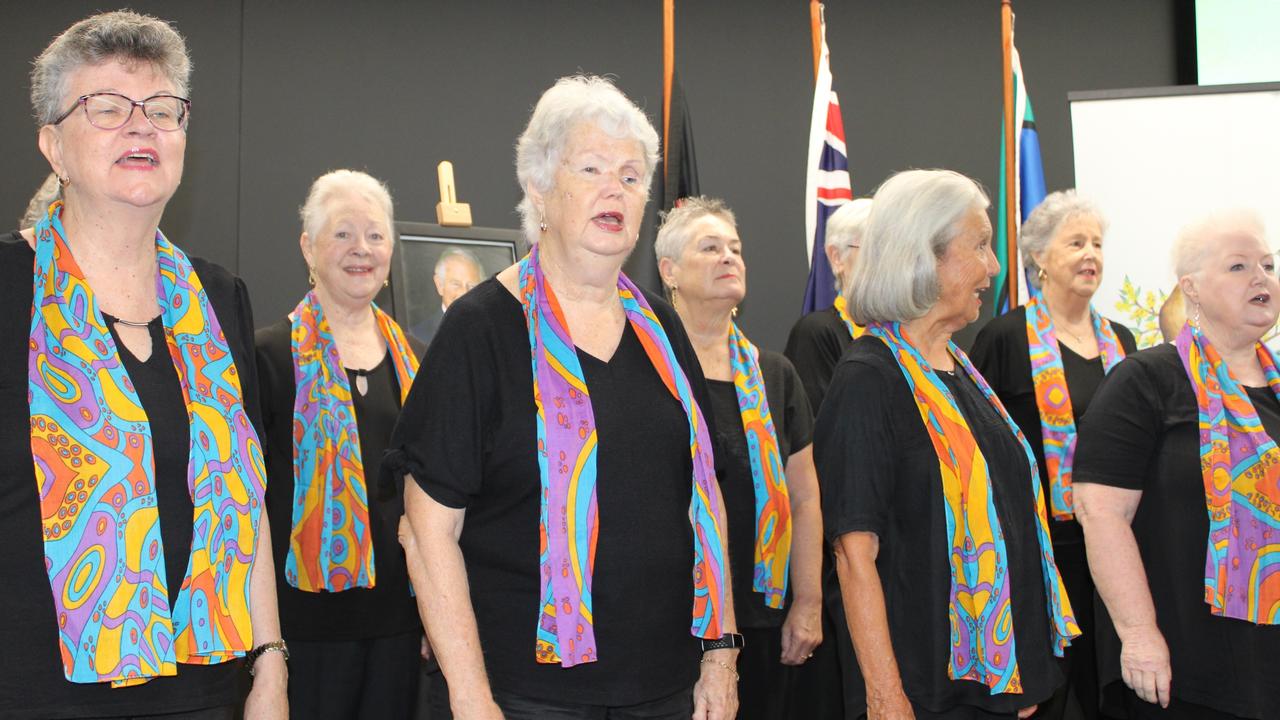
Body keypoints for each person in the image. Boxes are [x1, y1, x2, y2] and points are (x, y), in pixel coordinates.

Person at [389, 74, 740, 720]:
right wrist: (471, 698)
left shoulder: (665, 332)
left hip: (667, 691)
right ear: (539, 189)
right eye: (592, 168)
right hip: (520, 697)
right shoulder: (481, 329)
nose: (617, 189)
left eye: (633, 177)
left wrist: (721, 656)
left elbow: (705, 500)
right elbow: (427, 532)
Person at [0, 10, 286, 719]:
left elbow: (245, 500)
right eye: (106, 108)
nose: (142, 127)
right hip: (35, 696)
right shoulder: (8, 289)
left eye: (162, 109)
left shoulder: (221, 298)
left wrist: (271, 666)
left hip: (210, 693)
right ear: (52, 147)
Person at [815, 169, 1078, 720]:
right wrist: (886, 698)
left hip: (997, 688)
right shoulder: (869, 377)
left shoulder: (960, 367)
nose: (995, 266)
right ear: (922, 256)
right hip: (925, 694)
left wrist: (1020, 671)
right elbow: (853, 555)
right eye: (980, 245)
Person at [1073, 210, 1280, 720]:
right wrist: (1140, 635)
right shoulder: (1145, 379)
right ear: (1191, 287)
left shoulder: (1276, 387)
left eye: (1268, 265)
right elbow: (1100, 512)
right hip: (1185, 667)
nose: (1261, 277)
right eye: (1238, 266)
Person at [254, 169, 425, 718]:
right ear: (308, 247)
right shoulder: (267, 357)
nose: (362, 250)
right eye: (343, 234)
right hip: (303, 629)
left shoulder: (418, 360)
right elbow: (248, 505)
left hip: (401, 624)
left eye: (375, 236)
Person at [970, 190, 1137, 720]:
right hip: (1040, 545)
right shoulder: (1004, 337)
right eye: (1076, 243)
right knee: (1050, 697)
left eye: (1097, 243)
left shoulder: (1125, 342)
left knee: (1113, 689)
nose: (1092, 254)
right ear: (1039, 257)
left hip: (1115, 543)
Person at [656, 196, 823, 719]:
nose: (730, 257)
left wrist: (809, 602)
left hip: (763, 616)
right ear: (670, 272)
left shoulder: (776, 374)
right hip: (667, 616)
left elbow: (805, 496)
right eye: (710, 248)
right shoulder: (643, 363)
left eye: (736, 248)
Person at [785, 197, 874, 411]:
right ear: (837, 257)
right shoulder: (817, 332)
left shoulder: (907, 331)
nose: (884, 262)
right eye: (872, 249)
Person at [411, 248, 484, 344]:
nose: (464, 292)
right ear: (440, 285)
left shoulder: (492, 331)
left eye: (471, 286)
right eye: (456, 284)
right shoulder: (417, 337)